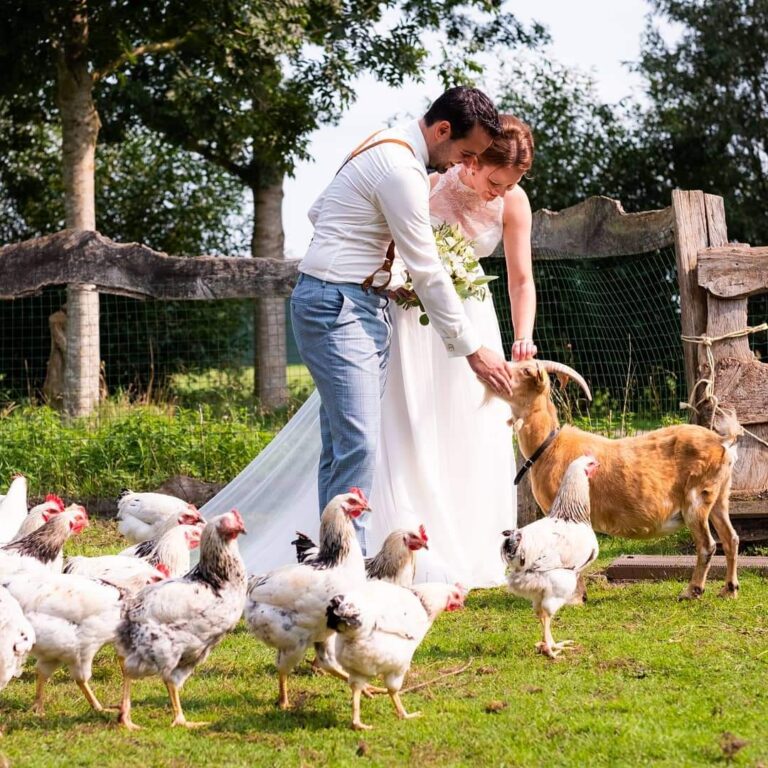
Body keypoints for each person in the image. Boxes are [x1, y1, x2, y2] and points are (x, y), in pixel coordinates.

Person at [202, 114, 537, 588]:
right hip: (411, 316)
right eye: (494, 181)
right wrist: (395, 279)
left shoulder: (511, 202)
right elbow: (400, 252)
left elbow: (522, 278)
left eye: (508, 186)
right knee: (389, 428)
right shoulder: (419, 180)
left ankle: (462, 542)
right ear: (474, 160)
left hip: (471, 318)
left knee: (469, 427)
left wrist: (522, 336)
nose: (497, 193)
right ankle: (370, 546)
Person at [289, 86, 513, 555]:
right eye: (463, 151)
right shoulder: (401, 170)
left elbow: (318, 211)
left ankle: (330, 558)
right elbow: (428, 267)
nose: (459, 164)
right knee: (359, 443)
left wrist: (379, 267)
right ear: (442, 130)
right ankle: (350, 563)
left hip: (356, 301)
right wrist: (473, 350)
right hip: (337, 304)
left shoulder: (378, 143)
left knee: (340, 446)